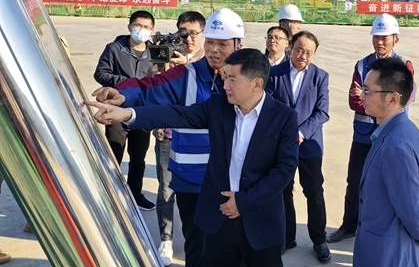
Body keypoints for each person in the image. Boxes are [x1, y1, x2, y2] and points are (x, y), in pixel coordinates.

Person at [87, 49, 299, 267]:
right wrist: (128, 114)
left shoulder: (284, 117)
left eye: (232, 80)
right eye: (225, 77)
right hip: (218, 219)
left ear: (257, 84)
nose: (225, 86)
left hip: (260, 223)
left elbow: (285, 169)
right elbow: (178, 114)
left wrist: (243, 201)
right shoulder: (218, 106)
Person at [92, 8, 245, 267]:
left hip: (233, 181)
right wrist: (122, 94)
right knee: (198, 247)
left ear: (238, 45)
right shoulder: (187, 75)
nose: (214, 50)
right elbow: (149, 87)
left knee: (232, 249)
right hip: (192, 181)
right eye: (210, 42)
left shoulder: (248, 80)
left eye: (222, 44)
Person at [327, 13, 415, 244]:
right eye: (376, 36)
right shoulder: (361, 65)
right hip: (363, 136)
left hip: (391, 136)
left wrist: (366, 97)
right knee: (355, 182)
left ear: (395, 39)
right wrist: (379, 102)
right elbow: (353, 101)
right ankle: (349, 225)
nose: (380, 42)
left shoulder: (404, 66)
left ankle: (385, 229)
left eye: (385, 37)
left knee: (390, 184)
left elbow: (402, 100)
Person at [353, 57, 419, 267]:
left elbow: (413, 214)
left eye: (368, 90)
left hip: (388, 255)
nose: (361, 96)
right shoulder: (405, 130)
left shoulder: (395, 147)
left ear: (392, 99)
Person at [266, 31, 331, 262]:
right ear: (290, 47)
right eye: (299, 50)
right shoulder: (274, 73)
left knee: (314, 192)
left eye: (309, 52)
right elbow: (268, 106)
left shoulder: (320, 76)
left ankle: (319, 239)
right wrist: (285, 133)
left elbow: (322, 112)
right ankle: (287, 236)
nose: (303, 56)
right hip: (281, 144)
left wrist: (301, 133)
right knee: (283, 190)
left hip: (309, 144)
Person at [150, 11, 206, 266]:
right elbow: (153, 88)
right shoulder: (167, 55)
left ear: (202, 34)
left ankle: (194, 240)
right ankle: (166, 238)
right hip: (168, 136)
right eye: (182, 33)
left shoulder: (209, 62)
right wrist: (162, 63)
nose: (188, 39)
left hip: (196, 142)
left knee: (195, 196)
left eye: (193, 33)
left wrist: (187, 66)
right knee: (165, 190)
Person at [93, 10, 156, 210]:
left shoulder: (156, 53)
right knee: (113, 155)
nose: (141, 30)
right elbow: (100, 74)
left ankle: (135, 194)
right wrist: (127, 82)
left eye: (146, 27)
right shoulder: (114, 48)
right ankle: (109, 195)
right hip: (116, 111)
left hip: (142, 113)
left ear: (152, 30)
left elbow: (161, 80)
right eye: (138, 26)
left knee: (138, 157)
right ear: (129, 27)